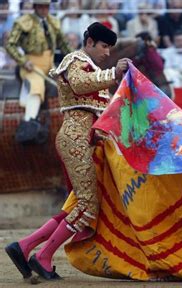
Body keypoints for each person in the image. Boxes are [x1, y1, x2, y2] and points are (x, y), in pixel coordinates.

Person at [4, 22, 129, 281]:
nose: (107, 52)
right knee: (86, 206)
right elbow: (80, 84)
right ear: (90, 42)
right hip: (76, 138)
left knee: (76, 204)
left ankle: (25, 246)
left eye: (110, 48)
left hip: (86, 140)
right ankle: (44, 256)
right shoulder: (75, 60)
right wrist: (112, 74)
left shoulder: (94, 67)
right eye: (104, 46)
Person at [5, 0, 72, 122]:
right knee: (37, 86)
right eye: (41, 6)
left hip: (50, 65)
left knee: (69, 83)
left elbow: (63, 44)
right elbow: (10, 45)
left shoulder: (53, 21)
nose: (44, 9)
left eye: (46, 6)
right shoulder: (23, 22)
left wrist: (75, 58)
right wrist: (23, 61)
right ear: (35, 6)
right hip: (31, 66)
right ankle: (29, 123)